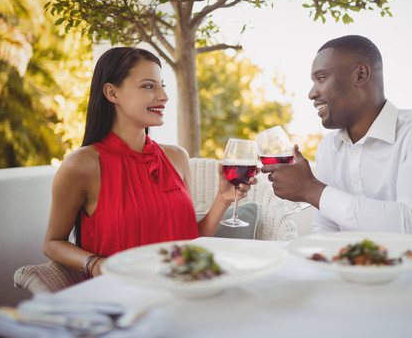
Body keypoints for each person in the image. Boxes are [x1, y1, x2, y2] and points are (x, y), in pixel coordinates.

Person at [43, 47, 256, 279]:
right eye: (148, 86)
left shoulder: (177, 157)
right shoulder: (82, 164)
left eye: (162, 85)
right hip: (121, 298)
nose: (163, 96)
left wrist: (223, 199)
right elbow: (53, 243)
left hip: (181, 291)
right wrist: (96, 264)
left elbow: (190, 241)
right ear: (112, 93)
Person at [262, 35, 412, 246]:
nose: (311, 93)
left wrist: (311, 190)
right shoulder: (328, 148)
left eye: (322, 78)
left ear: (361, 75)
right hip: (356, 274)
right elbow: (326, 232)